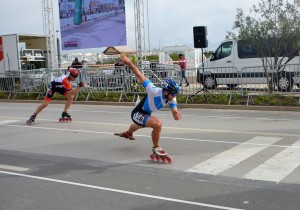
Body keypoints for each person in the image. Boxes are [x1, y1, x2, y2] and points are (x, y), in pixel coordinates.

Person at [114, 55, 182, 162]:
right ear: (165, 91)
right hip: (138, 113)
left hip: (145, 113)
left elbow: (174, 108)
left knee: (139, 125)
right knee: (157, 124)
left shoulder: (171, 97)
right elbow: (140, 75)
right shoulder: (153, 90)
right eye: (173, 94)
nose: (174, 96)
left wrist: (175, 113)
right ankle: (156, 148)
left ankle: (129, 133)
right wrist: (129, 63)